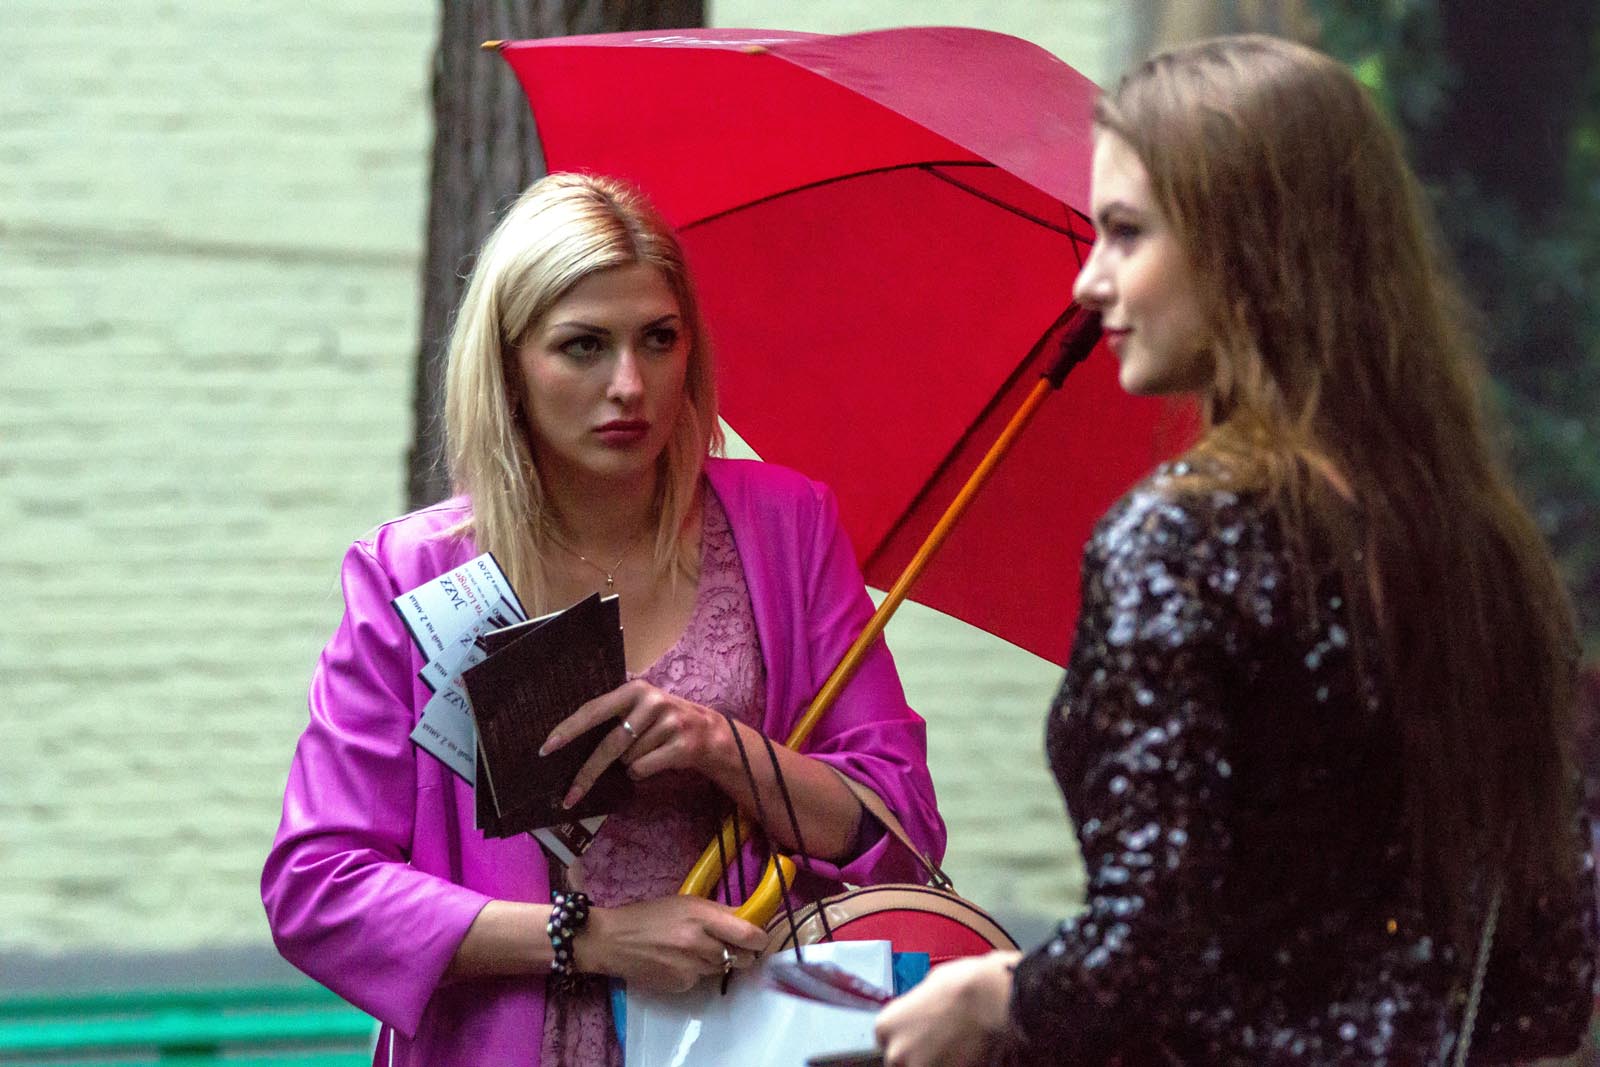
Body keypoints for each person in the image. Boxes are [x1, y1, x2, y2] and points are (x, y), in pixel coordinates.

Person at [874, 34, 1596, 1067]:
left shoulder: (1180, 542)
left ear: (1249, 246)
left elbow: (1144, 953)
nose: (1087, 282)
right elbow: (1551, 981)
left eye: (1126, 233)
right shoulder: (1491, 556)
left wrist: (993, 996)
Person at [261, 172, 945, 1067]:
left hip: (751, 1034)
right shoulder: (414, 575)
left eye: (658, 339)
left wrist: (721, 745)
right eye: (583, 346)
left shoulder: (786, 525)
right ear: (509, 365)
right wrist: (590, 937)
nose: (630, 384)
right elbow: (318, 888)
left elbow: (901, 830)